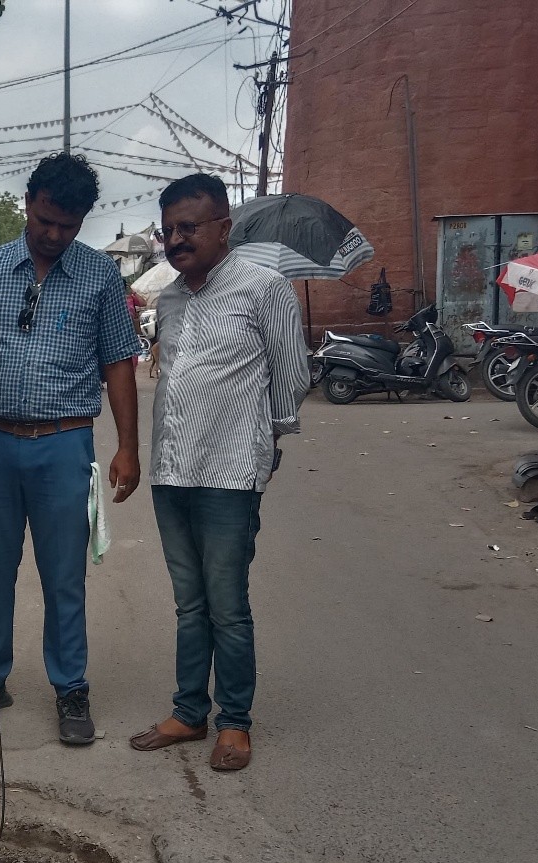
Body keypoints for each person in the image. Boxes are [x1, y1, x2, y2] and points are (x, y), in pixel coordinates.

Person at [0, 153, 143, 746]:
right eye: (46, 220)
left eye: (68, 226)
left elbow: (119, 364)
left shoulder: (100, 277)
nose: (54, 234)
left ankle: (70, 686)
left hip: (64, 446)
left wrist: (128, 446)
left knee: (63, 576)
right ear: (29, 203)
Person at [127, 173, 308, 772]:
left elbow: (292, 373)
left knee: (226, 604)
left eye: (190, 227)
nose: (178, 239)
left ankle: (234, 721)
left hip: (229, 472)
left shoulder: (263, 288)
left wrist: (267, 442)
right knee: (188, 602)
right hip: (171, 470)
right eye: (170, 229)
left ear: (223, 228)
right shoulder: (172, 297)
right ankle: (188, 710)